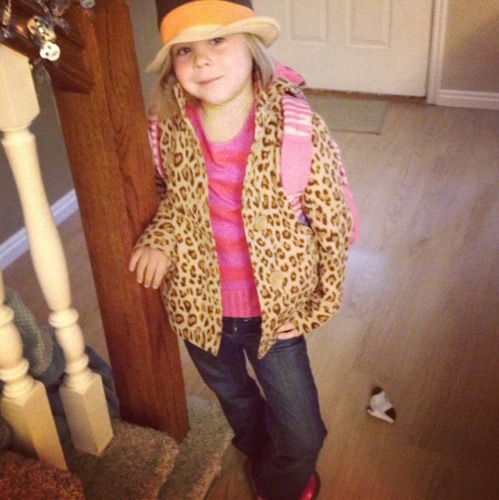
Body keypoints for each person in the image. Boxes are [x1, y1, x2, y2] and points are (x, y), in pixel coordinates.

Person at [129, 1, 353, 498]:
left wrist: (319, 305)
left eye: (217, 40)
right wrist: (159, 239)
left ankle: (277, 481)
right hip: (199, 308)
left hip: (278, 316)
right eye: (185, 50)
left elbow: (332, 223)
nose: (202, 59)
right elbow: (171, 198)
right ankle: (259, 454)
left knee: (304, 433)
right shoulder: (167, 125)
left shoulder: (295, 126)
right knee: (235, 397)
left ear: (251, 46)